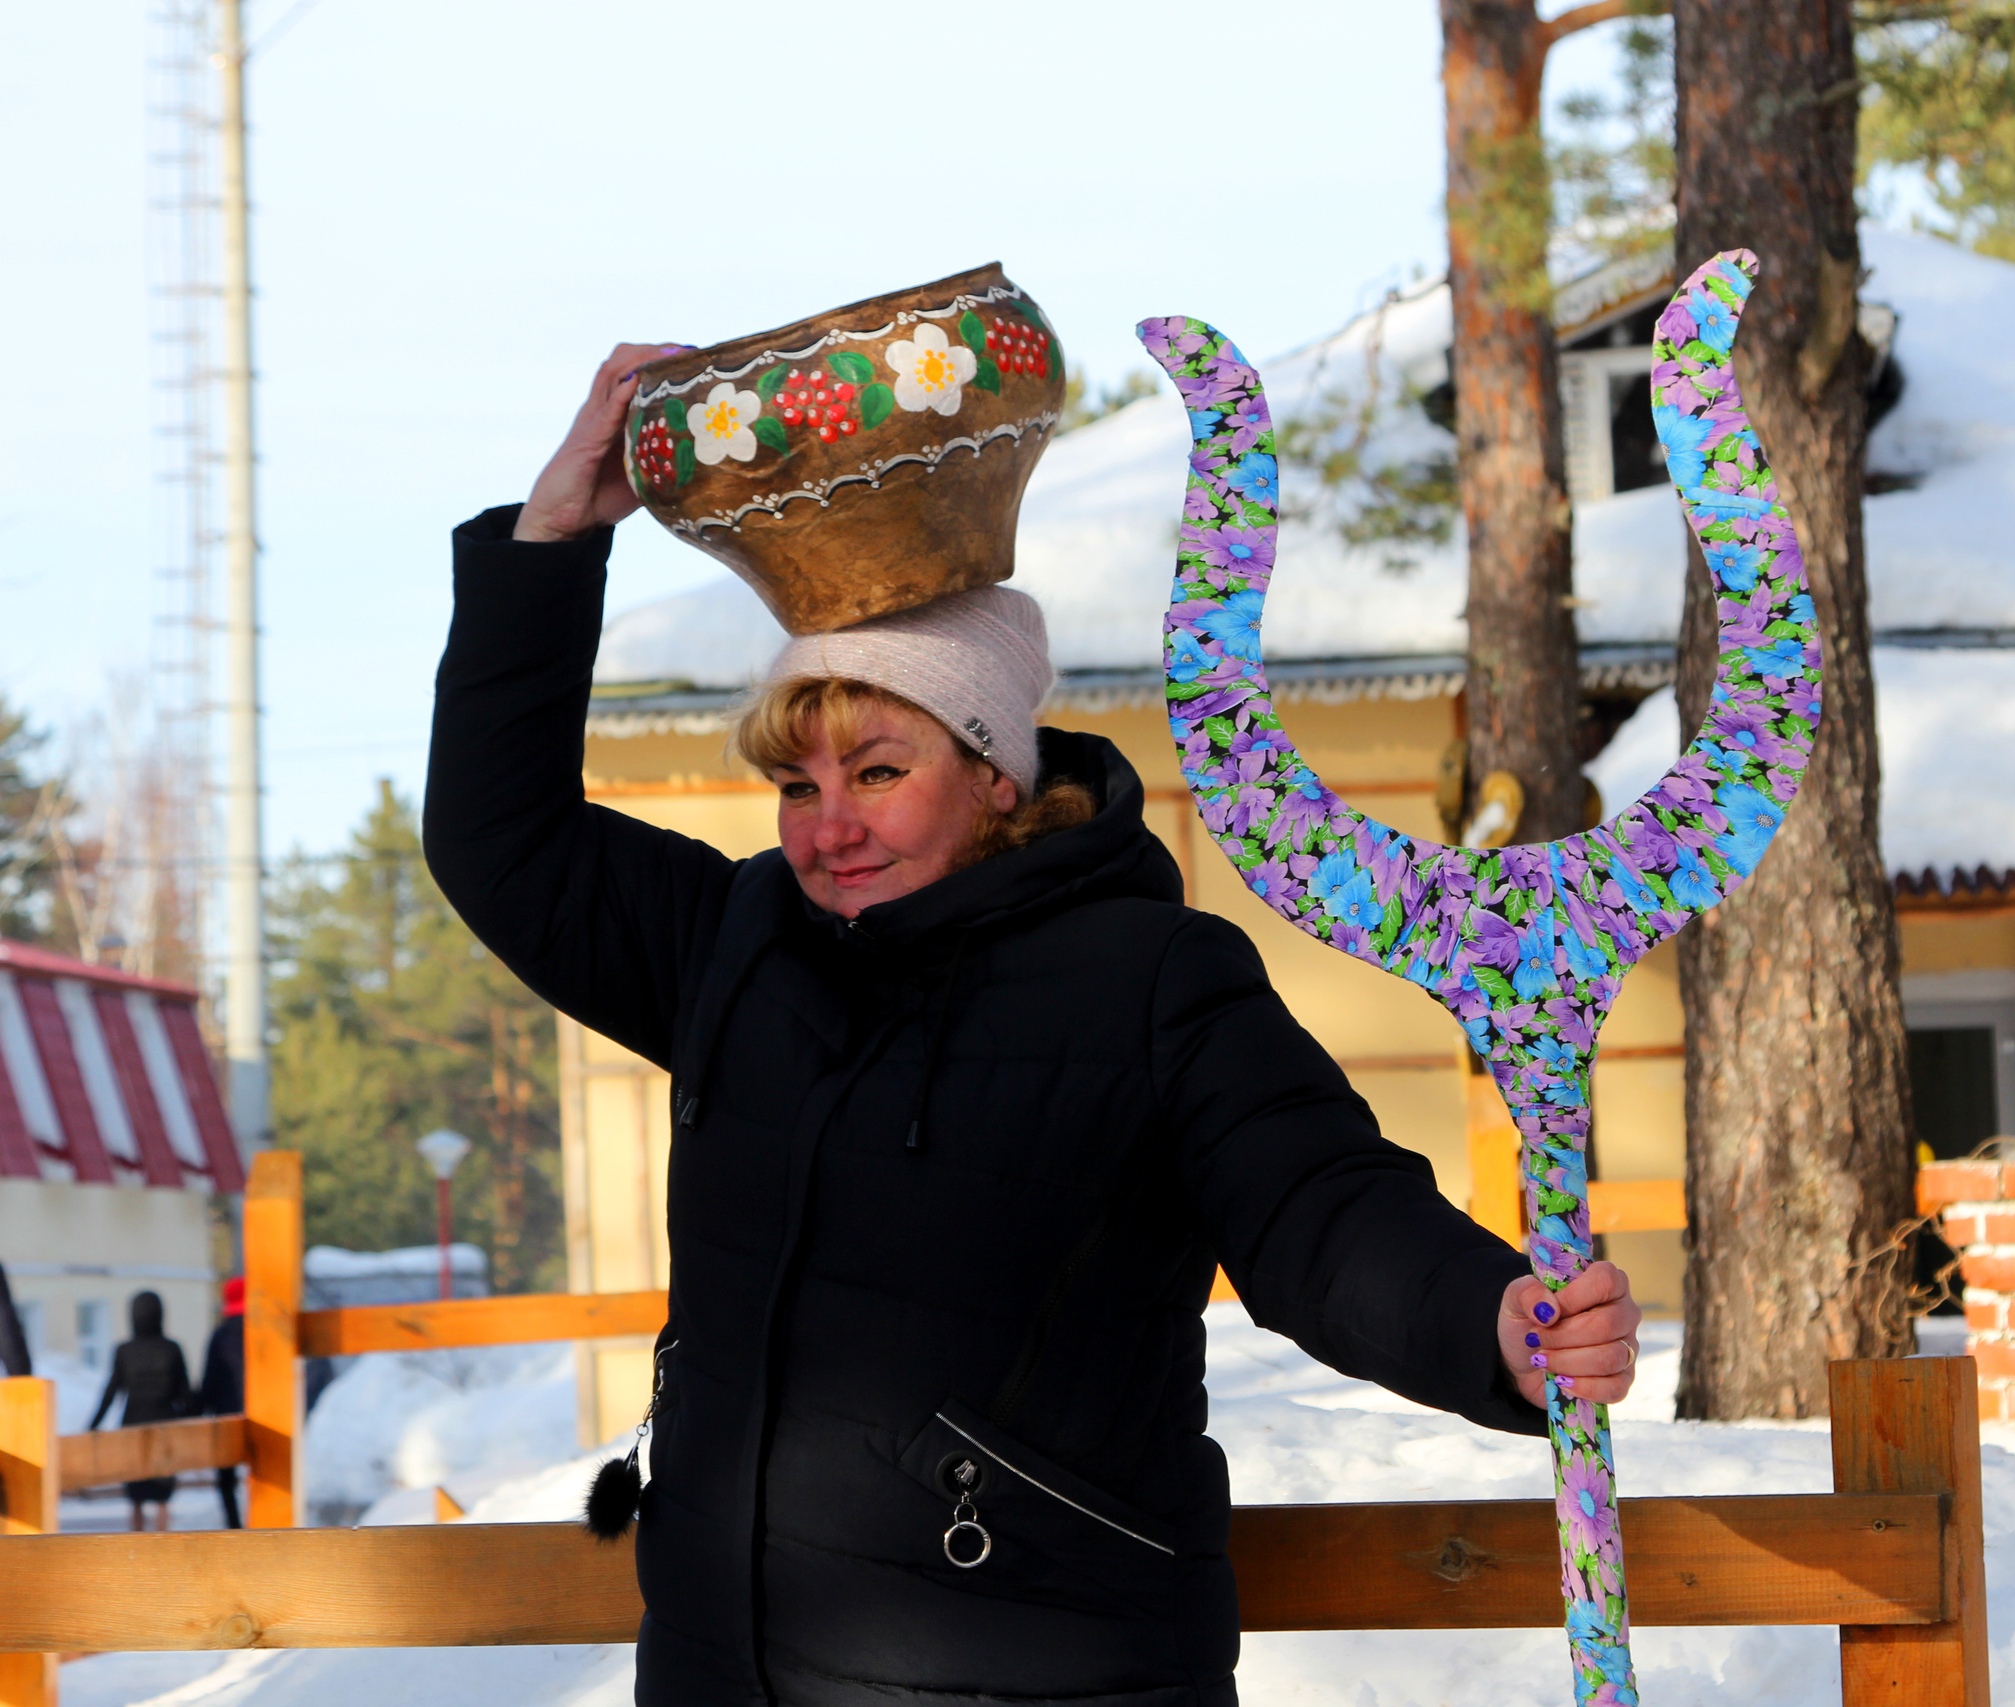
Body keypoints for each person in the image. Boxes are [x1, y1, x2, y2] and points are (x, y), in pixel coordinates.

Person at [422, 337, 1642, 1707]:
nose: (829, 827)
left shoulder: (1152, 979)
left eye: (878, 771)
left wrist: (1493, 1317)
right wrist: (552, 537)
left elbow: (1319, 1209)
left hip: (1049, 1674)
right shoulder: (737, 942)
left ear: (996, 773)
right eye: (798, 785)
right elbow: (501, 841)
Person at [86, 1289, 194, 1531]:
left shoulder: (124, 1350)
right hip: (165, 1426)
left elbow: (111, 1392)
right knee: (163, 1497)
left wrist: (92, 1426)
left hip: (132, 1425)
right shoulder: (172, 1349)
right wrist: (191, 1426)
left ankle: (136, 1545)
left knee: (135, 1497)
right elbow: (186, 1394)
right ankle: (163, 1545)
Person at [199, 1276, 246, 1528]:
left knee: (226, 1480)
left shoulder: (220, 1335)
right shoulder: (263, 1333)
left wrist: (197, 1411)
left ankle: (235, 1528)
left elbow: (209, 1381)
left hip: (226, 1416)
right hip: (264, 1414)